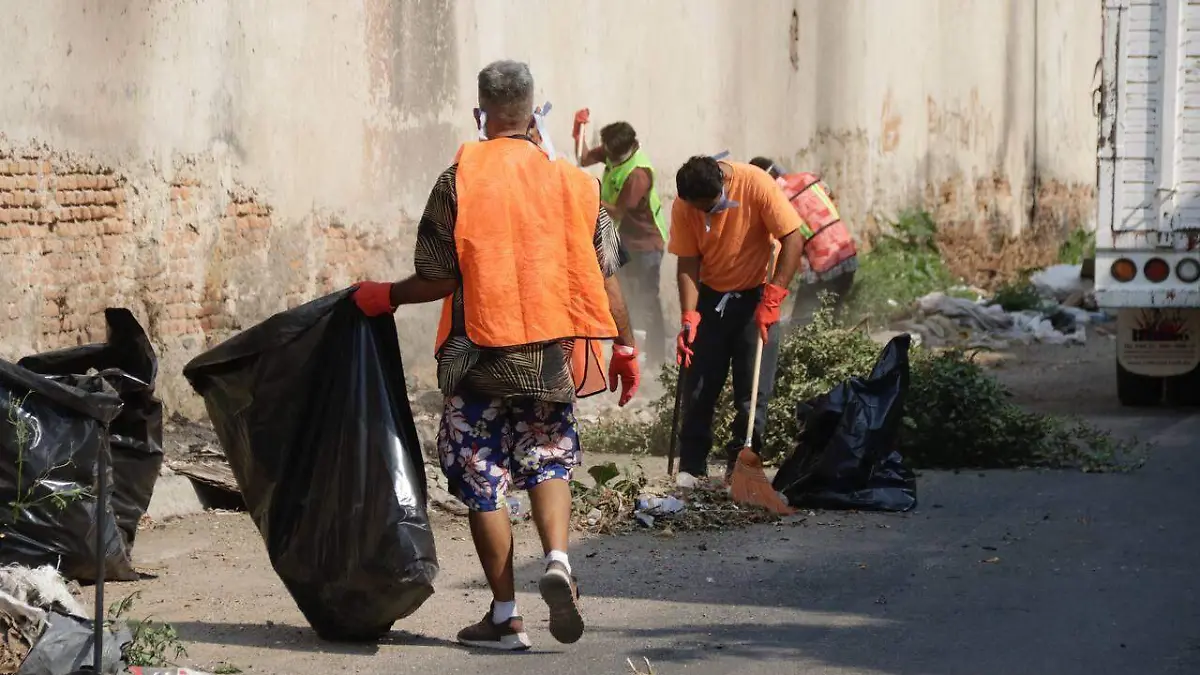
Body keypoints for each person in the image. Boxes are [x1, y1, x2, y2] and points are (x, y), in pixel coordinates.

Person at [351, 60, 640, 651]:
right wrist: (626, 348)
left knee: (485, 480)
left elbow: (436, 278)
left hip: (476, 356)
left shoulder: (457, 180)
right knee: (549, 460)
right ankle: (558, 559)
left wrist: (385, 296)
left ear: (480, 114)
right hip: (548, 356)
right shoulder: (574, 183)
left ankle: (507, 615)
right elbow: (606, 276)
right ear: (534, 113)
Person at [669, 155, 805, 483]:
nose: (705, 215)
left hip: (756, 295)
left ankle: (741, 466)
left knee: (753, 390)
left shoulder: (756, 184)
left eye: (710, 206)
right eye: (698, 209)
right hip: (711, 298)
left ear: (722, 184)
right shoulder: (684, 205)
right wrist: (689, 315)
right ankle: (692, 466)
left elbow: (793, 238)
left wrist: (774, 297)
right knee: (699, 385)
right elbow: (688, 262)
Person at [574, 116, 669, 366]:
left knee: (646, 299)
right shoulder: (612, 151)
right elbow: (584, 159)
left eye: (608, 152)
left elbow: (616, 211)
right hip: (618, 236)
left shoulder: (637, 174)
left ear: (626, 150)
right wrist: (578, 132)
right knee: (622, 293)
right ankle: (629, 350)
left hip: (645, 244)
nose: (604, 154)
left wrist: (586, 193)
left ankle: (655, 358)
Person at [748, 157, 858, 330]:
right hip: (848, 253)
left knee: (801, 323)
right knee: (828, 316)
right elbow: (831, 197)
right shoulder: (808, 178)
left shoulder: (775, 199)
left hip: (822, 265)